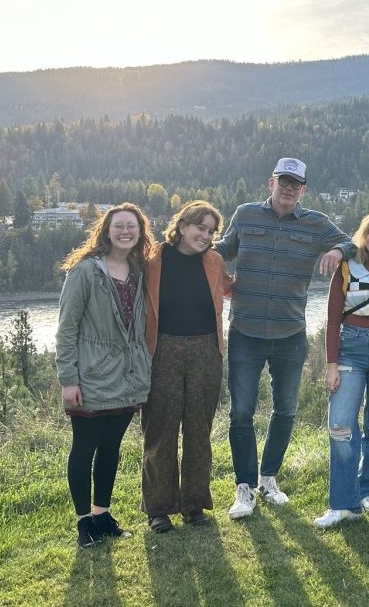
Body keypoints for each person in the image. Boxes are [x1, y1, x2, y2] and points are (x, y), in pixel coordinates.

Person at [214, 157, 354, 520]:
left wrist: (337, 250)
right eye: (283, 181)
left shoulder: (316, 223)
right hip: (245, 331)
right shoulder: (245, 214)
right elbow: (224, 250)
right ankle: (244, 487)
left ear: (303, 190)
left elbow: (351, 243)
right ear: (270, 182)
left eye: (296, 184)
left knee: (286, 410)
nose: (289, 189)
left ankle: (268, 479)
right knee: (241, 412)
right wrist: (187, 249)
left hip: (290, 334)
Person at [55, 203, 154, 548]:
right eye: (119, 226)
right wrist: (69, 379)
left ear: (140, 232)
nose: (126, 231)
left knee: (111, 448)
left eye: (132, 226)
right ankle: (84, 523)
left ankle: (102, 515)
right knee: (84, 449)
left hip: (128, 376)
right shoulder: (85, 271)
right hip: (92, 376)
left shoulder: (139, 271)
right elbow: (66, 329)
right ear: (106, 231)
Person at [141, 200, 232, 533]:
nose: (205, 236)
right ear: (181, 226)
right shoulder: (153, 259)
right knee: (160, 430)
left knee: (198, 431)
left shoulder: (214, 261)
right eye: (200, 228)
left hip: (206, 351)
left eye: (211, 231)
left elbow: (231, 288)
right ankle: (158, 509)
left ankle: (194, 505)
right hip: (163, 350)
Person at [313, 210, 369, 527]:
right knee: (340, 425)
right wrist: (331, 365)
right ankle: (343, 504)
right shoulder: (346, 267)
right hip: (350, 349)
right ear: (363, 235)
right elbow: (332, 321)